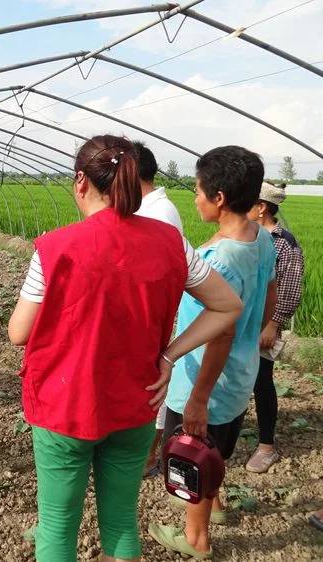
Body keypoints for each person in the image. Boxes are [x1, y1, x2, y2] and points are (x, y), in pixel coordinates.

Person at [8, 134, 242, 562]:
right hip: (136, 401)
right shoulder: (172, 242)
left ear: (81, 181)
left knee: (58, 525)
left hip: (64, 405)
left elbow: (18, 333)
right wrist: (169, 355)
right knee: (120, 522)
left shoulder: (54, 246)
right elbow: (227, 305)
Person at [149, 146, 277, 560]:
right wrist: (252, 336)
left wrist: (198, 399)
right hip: (240, 374)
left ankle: (195, 539)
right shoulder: (261, 239)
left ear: (219, 197)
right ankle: (214, 507)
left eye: (199, 190)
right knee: (215, 447)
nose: (195, 198)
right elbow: (270, 295)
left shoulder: (217, 261)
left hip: (203, 381)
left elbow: (218, 336)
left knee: (191, 455)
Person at [132, 141, 184, 479]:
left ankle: (150, 455)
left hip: (154, 315)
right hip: (146, 312)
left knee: (155, 384)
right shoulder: (148, 207)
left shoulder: (159, 213)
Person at [245, 181, 304, 473]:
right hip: (239, 323)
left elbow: (291, 290)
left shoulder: (285, 243)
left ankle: (266, 446)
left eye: (247, 202)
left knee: (262, 381)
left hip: (263, 326)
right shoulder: (245, 236)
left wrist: (273, 324)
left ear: (262, 208)